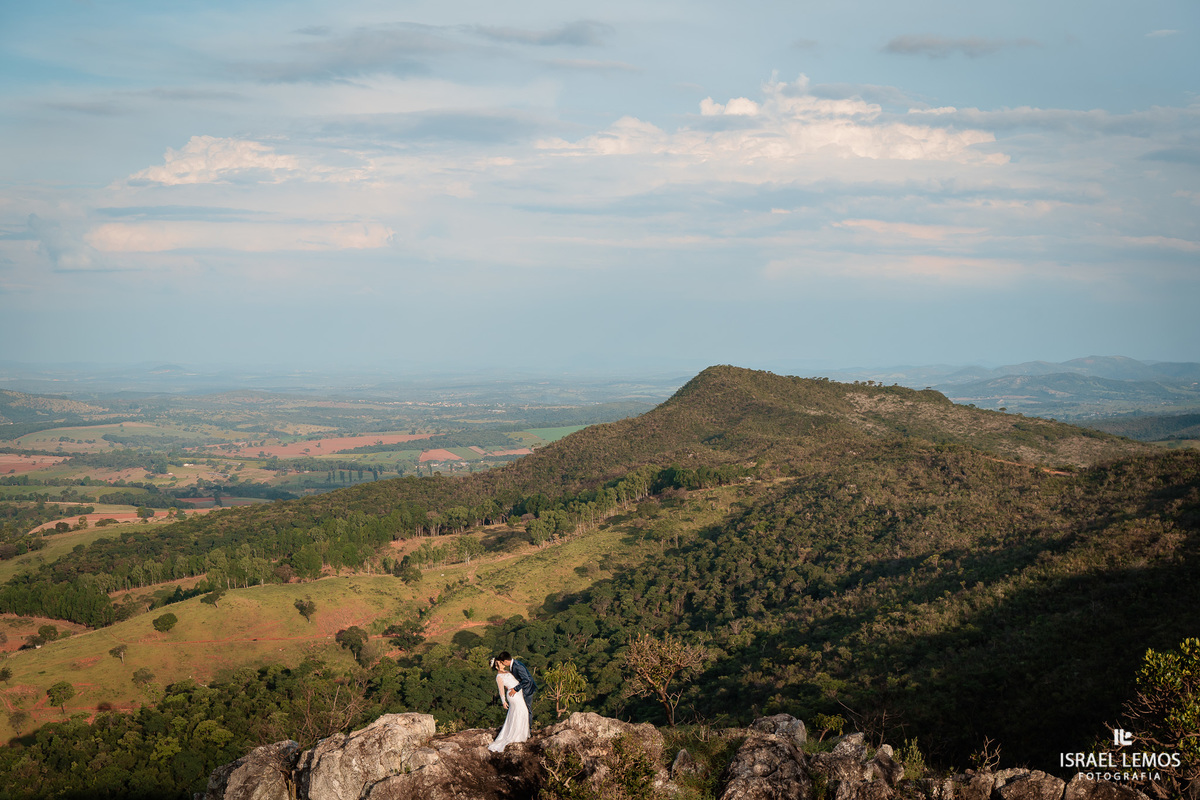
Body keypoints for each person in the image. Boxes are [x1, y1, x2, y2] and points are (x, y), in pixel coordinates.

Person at [487, 654, 530, 753]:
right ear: (497, 665)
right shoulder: (499, 677)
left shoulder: (507, 671)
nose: (502, 663)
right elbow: (501, 690)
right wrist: (503, 701)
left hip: (518, 693)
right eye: (500, 663)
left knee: (522, 712)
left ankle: (521, 734)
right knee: (520, 712)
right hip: (513, 695)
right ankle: (516, 736)